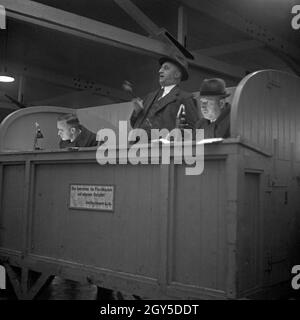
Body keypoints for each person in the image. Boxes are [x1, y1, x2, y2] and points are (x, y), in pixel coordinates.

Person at [130, 54, 198, 140]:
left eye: (166, 68)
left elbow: (193, 129)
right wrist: (137, 113)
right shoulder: (149, 97)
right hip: (139, 149)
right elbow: (134, 124)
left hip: (164, 150)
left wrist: (172, 140)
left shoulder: (185, 97)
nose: (160, 71)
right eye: (161, 68)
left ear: (177, 74)